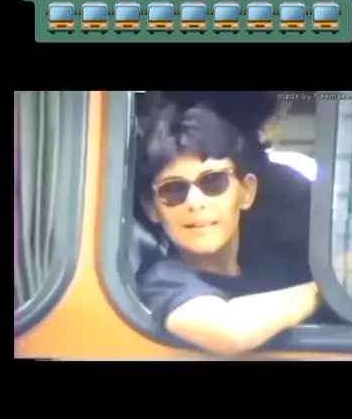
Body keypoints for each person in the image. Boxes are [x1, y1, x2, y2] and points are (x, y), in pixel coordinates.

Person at [135, 102, 325, 357]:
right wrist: (328, 287)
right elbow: (230, 332)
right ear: (152, 209)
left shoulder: (279, 268)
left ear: (247, 192)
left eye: (213, 181)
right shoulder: (165, 280)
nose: (195, 202)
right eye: (173, 190)